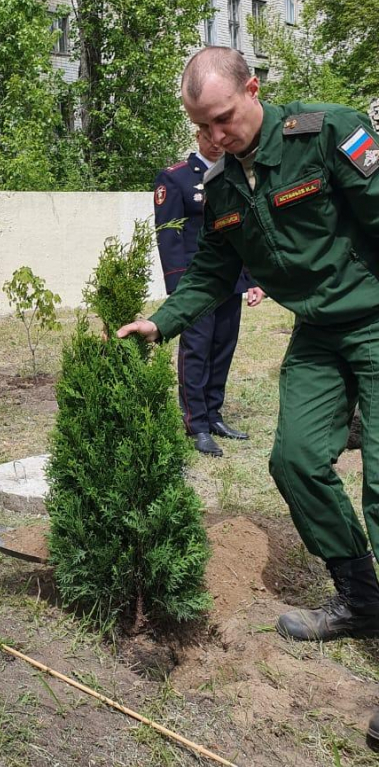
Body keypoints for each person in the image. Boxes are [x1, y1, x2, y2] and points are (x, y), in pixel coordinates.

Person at [117, 48, 379, 741]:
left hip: (378, 321)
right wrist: (160, 321)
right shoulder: (224, 190)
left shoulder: (326, 134)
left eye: (224, 119)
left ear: (253, 89)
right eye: (201, 126)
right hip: (320, 335)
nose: (215, 137)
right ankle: (361, 599)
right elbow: (208, 274)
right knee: (293, 459)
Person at [154, 128, 264, 456]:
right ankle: (196, 423)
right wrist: (178, 288)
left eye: (222, 136)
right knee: (197, 351)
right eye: (209, 135)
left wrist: (252, 278)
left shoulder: (235, 173)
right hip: (196, 284)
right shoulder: (176, 178)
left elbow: (243, 229)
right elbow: (168, 236)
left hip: (230, 282)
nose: (217, 141)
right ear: (198, 135)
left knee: (222, 348)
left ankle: (214, 414)